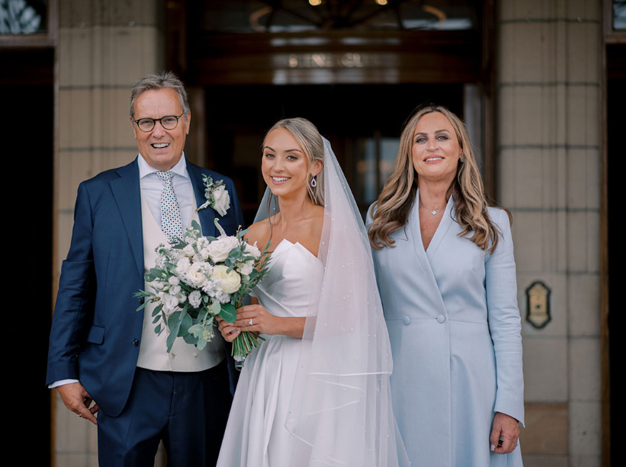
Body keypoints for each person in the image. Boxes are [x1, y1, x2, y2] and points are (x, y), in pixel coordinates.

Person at [45, 71, 244, 466]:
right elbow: (76, 284)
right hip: (126, 378)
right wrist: (63, 372)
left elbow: (237, 279)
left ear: (187, 121)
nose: (159, 132)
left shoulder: (220, 189)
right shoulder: (98, 192)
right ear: (134, 128)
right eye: (146, 121)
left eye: (168, 119)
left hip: (206, 377)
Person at [216, 118, 409, 466]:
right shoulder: (251, 236)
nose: (277, 167)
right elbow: (253, 308)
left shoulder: (334, 228)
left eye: (291, 157)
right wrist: (235, 327)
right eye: (269, 155)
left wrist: (275, 324)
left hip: (319, 373)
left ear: (315, 167)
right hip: (267, 372)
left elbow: (352, 319)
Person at [367, 104, 525, 466]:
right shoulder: (379, 218)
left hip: (470, 383)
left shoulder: (492, 223)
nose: (431, 146)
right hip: (399, 376)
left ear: (461, 151)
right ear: (410, 153)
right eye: (421, 139)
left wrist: (509, 406)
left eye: (442, 137)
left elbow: (505, 321)